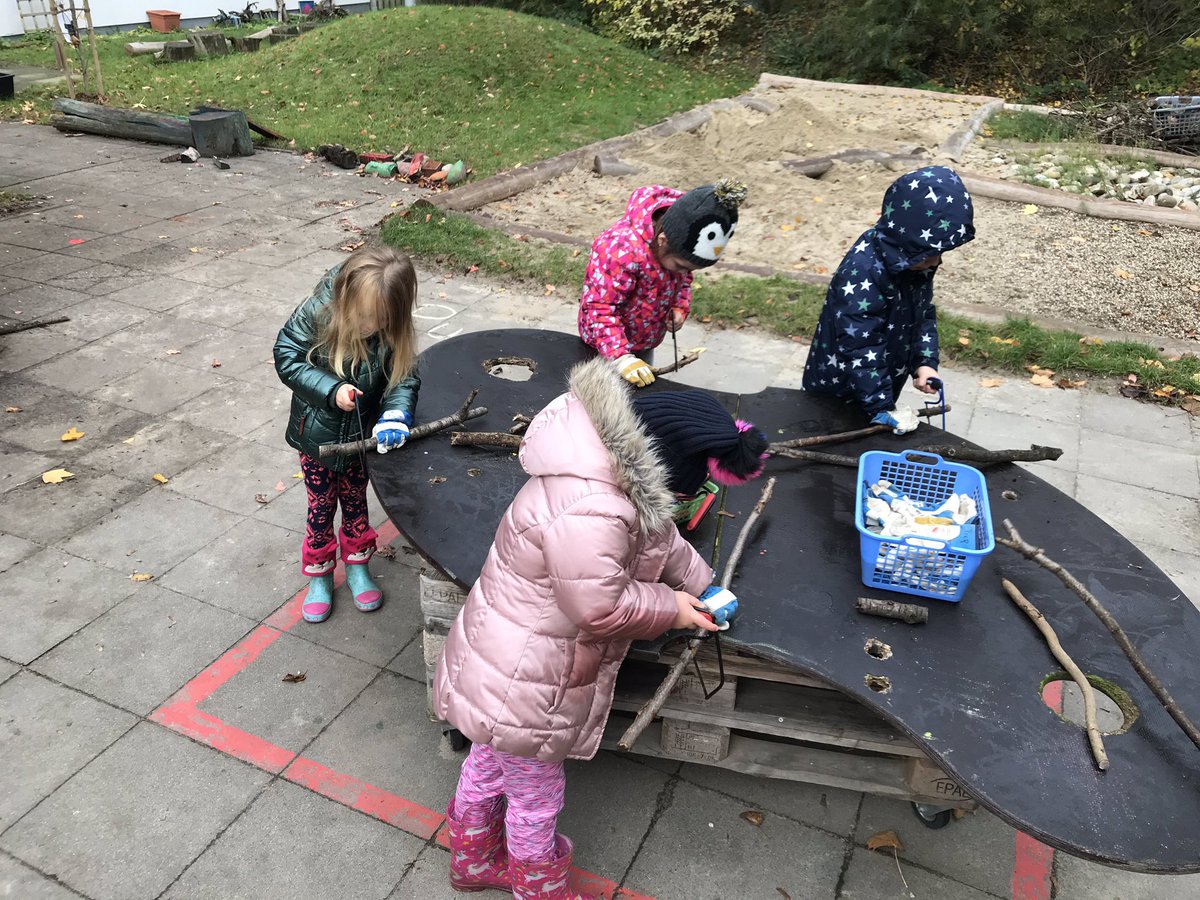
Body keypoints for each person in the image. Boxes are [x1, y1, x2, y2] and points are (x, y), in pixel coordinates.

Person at [432, 357, 768, 899]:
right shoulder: (594, 509)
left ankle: (472, 861)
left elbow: (662, 539)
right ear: (658, 472)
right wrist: (674, 608)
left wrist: (702, 584)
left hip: (507, 662)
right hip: (529, 678)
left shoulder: (609, 473)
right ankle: (538, 888)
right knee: (535, 798)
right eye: (686, 490)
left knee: (489, 762)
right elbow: (598, 606)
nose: (683, 502)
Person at [273, 245, 421, 623]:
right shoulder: (318, 312)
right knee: (321, 508)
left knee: (355, 503)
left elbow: (402, 378)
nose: (364, 326)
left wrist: (394, 415)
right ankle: (320, 576)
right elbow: (286, 354)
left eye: (375, 320)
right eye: (360, 316)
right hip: (317, 440)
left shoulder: (390, 333)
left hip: (361, 440)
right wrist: (328, 389)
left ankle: (357, 567)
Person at [801, 165, 975, 433]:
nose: (937, 260)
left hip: (878, 385)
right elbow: (860, 346)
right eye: (931, 251)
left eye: (941, 251)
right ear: (908, 238)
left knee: (866, 441)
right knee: (833, 438)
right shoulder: (863, 273)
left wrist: (924, 362)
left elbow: (922, 314)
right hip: (839, 388)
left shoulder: (914, 261)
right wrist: (881, 407)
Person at [578, 179, 747, 388]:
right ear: (663, 239)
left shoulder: (676, 254)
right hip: (603, 343)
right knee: (602, 396)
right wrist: (620, 357)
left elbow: (682, 283)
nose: (685, 274)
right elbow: (600, 307)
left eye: (691, 270)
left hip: (642, 341)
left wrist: (680, 307)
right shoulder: (619, 250)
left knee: (638, 390)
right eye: (680, 266)